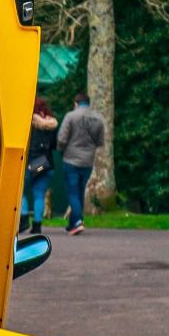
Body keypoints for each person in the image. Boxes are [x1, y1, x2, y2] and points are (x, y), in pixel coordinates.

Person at [56, 93, 105, 235]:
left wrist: (61, 150)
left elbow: (62, 138)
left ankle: (77, 221)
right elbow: (100, 141)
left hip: (71, 159)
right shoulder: (98, 119)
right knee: (80, 191)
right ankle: (73, 223)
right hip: (88, 160)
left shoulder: (71, 116)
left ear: (76, 103)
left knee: (72, 191)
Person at [21, 97, 59, 235]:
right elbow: (55, 145)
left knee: (20, 192)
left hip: (30, 164)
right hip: (47, 165)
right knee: (39, 195)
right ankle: (37, 225)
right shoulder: (52, 124)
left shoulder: (28, 122)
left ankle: (24, 218)